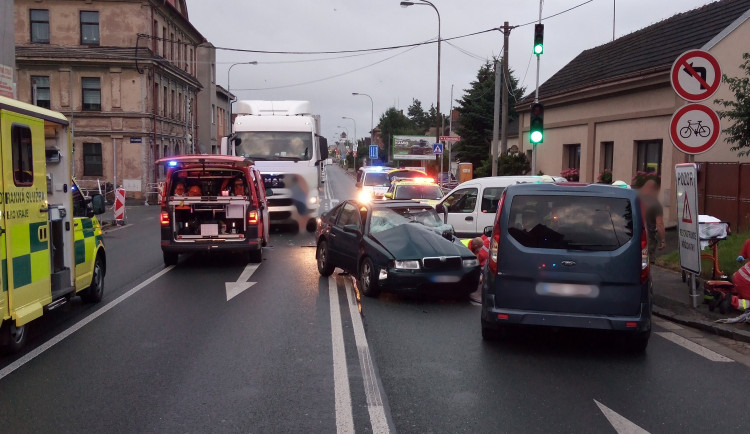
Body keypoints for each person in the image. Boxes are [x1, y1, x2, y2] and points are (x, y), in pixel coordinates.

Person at [638, 178, 665, 261]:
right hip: (647, 240)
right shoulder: (655, 204)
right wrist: (663, 240)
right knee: (646, 262)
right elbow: (659, 224)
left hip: (633, 238)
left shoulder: (636, 199)